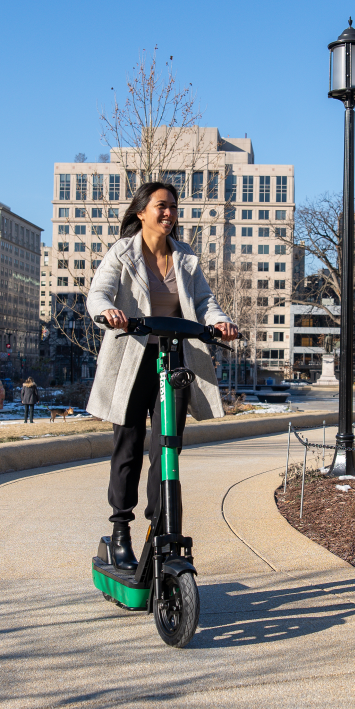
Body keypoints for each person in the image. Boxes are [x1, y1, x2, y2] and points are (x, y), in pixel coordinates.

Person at [84, 180, 240, 569]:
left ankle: (160, 529)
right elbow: (98, 295)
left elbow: (205, 302)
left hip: (173, 361)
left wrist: (220, 322)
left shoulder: (185, 257)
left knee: (167, 449)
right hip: (131, 361)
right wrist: (109, 313)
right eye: (161, 206)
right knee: (129, 447)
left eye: (173, 206)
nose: (169, 213)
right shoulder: (122, 253)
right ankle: (121, 530)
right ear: (141, 212)